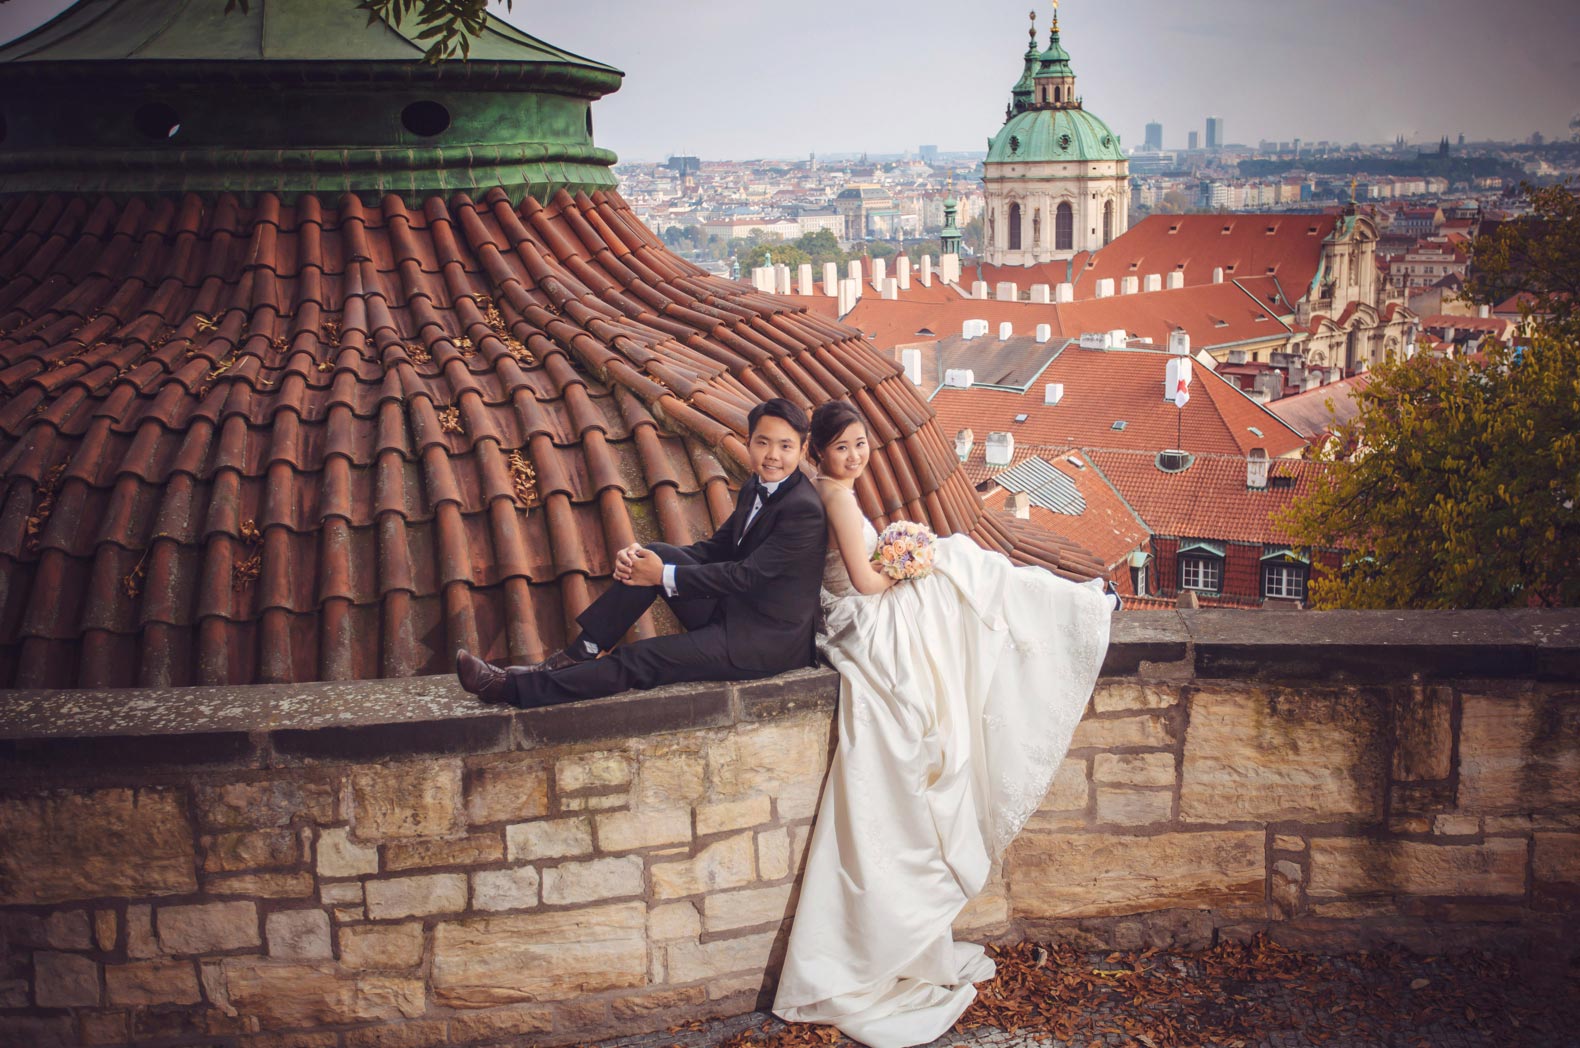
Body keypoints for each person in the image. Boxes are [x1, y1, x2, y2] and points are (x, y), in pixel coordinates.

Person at [772, 400, 1116, 1048]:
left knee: (966, 567)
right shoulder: (838, 496)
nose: (856, 456)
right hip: (868, 615)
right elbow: (869, 584)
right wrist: (909, 559)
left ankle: (1076, 607)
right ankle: (1080, 610)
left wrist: (911, 552)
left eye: (861, 443)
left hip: (853, 609)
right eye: (843, 446)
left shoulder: (828, 489)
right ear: (819, 451)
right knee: (967, 568)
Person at [455, 398, 827, 709]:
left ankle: (508, 689)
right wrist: (645, 562)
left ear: (801, 449)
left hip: (763, 641)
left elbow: (744, 575)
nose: (772, 455)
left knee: (640, 658)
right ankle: (579, 652)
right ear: (749, 441)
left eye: (785, 446)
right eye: (763, 443)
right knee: (656, 552)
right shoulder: (755, 486)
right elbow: (715, 549)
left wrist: (662, 576)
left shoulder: (802, 509)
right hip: (734, 613)